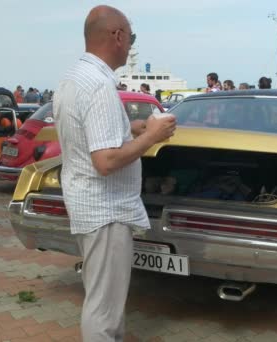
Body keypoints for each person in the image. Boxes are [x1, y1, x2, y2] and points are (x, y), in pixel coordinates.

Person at [54, 5, 176, 341]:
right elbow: (105, 161)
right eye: (131, 37)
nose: (131, 45)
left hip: (89, 204)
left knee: (101, 298)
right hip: (105, 210)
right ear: (118, 36)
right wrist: (153, 136)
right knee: (104, 309)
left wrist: (133, 128)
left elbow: (90, 136)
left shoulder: (73, 78)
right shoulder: (99, 86)